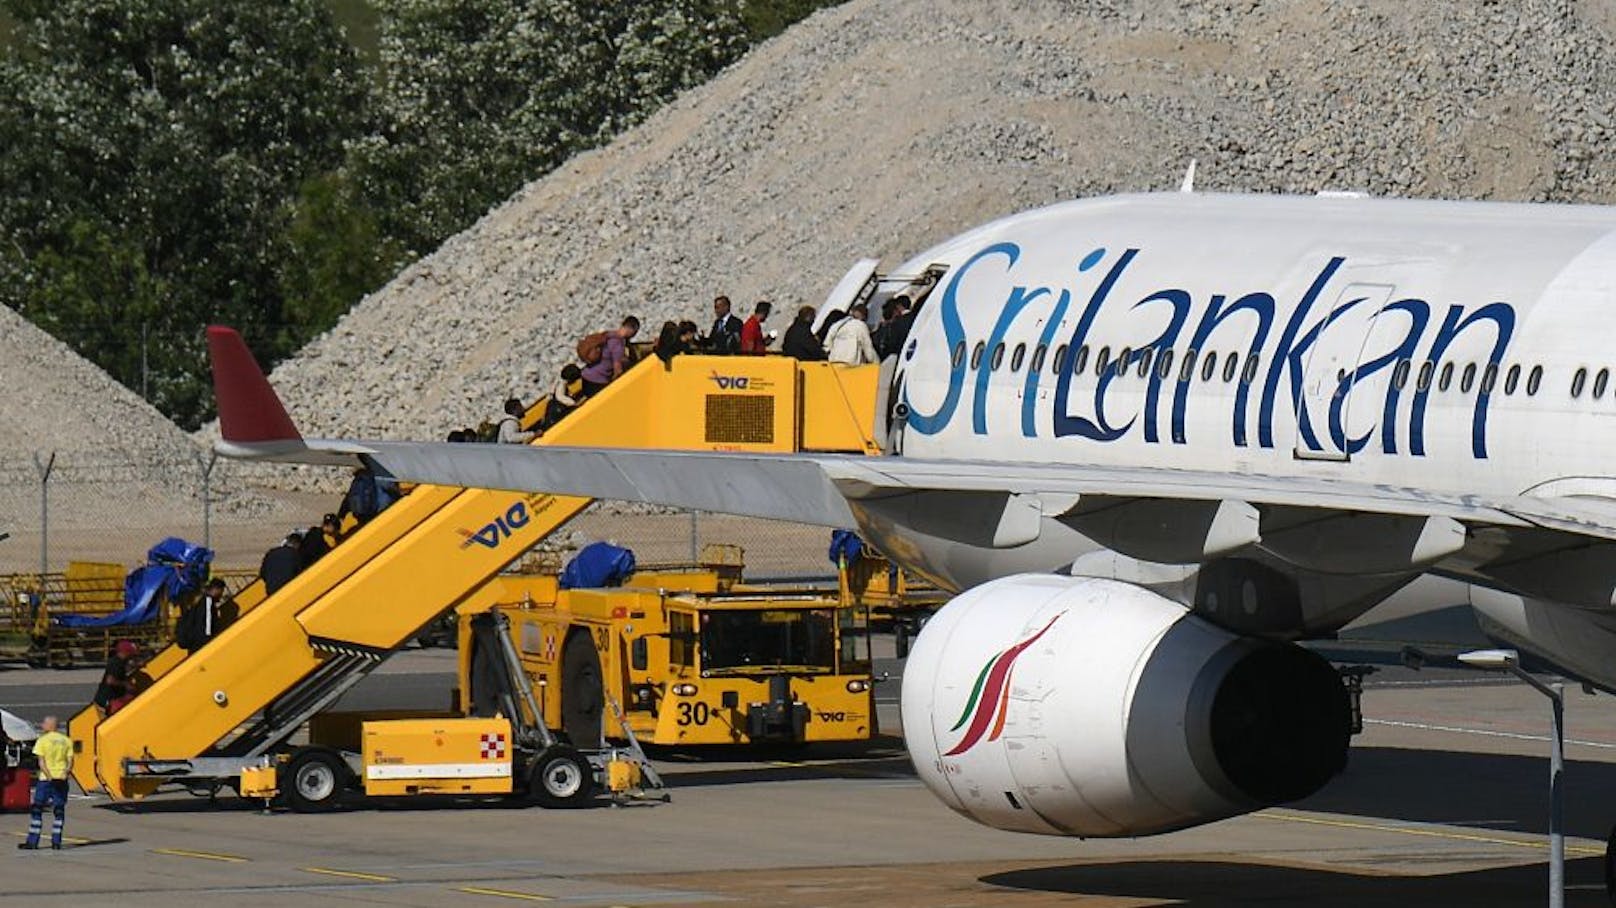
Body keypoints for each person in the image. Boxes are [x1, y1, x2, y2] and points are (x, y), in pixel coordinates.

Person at [19, 716, 71, 850]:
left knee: (37, 809)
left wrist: (48, 774)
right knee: (59, 809)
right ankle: (56, 841)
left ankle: (33, 841)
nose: (42, 725)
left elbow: (41, 761)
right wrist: (66, 772)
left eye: (44, 723)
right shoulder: (66, 740)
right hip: (61, 777)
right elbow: (70, 761)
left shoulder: (42, 740)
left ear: (50, 725)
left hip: (46, 779)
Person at [580, 316, 640, 395]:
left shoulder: (608, 335)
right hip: (597, 382)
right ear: (632, 330)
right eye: (635, 333)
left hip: (586, 376)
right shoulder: (618, 344)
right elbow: (618, 369)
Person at [92, 639, 146, 714]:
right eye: (131, 653)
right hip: (107, 700)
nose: (132, 656)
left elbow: (128, 666)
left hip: (108, 698)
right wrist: (126, 684)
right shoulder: (116, 663)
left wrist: (137, 665)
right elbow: (110, 680)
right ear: (125, 652)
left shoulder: (120, 661)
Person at [540, 364, 586, 430]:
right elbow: (560, 397)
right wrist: (574, 403)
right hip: (556, 414)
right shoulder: (561, 385)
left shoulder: (558, 381)